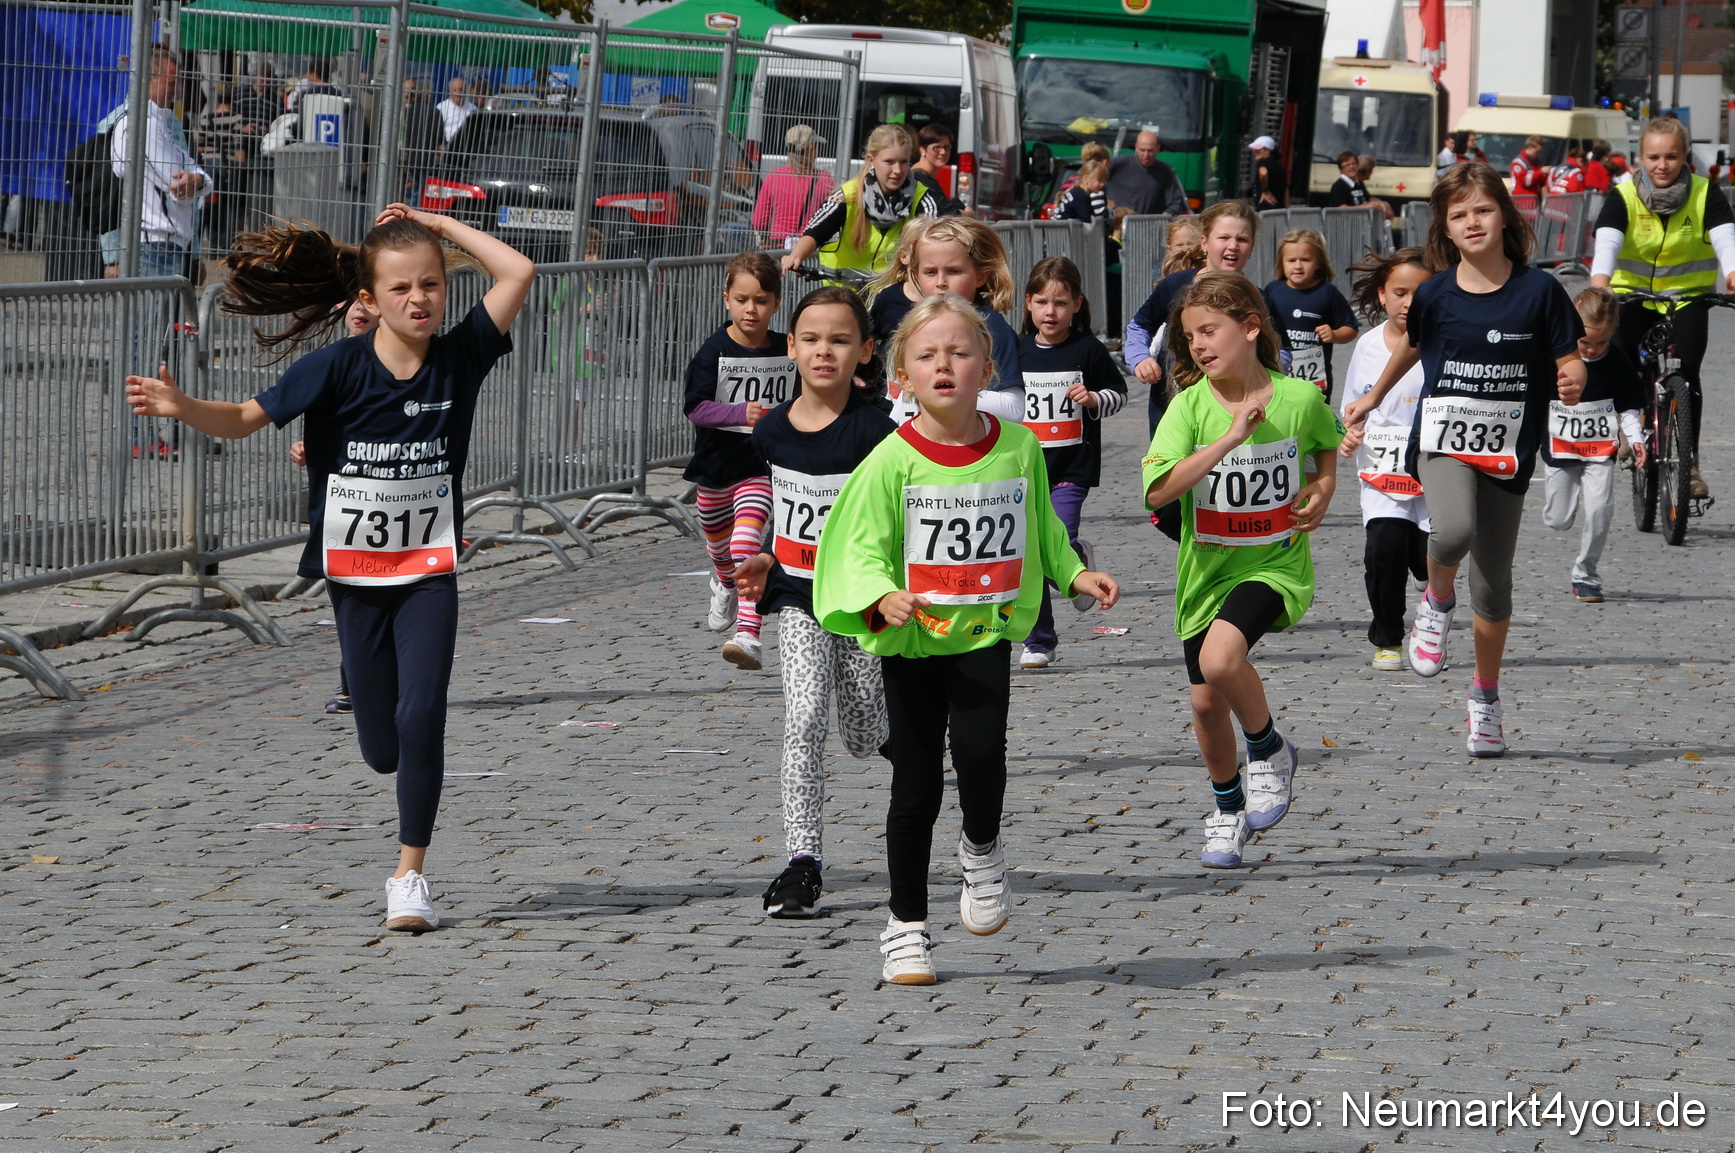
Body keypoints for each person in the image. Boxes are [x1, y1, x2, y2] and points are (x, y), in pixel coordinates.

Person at [125, 204, 535, 931]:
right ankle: (395, 774)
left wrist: (438, 222)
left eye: (432, 285)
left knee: (423, 714)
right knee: (382, 745)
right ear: (369, 300)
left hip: (429, 572)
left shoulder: (461, 355)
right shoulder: (335, 367)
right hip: (355, 577)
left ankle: (410, 874)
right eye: (402, 288)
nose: (419, 300)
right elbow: (247, 416)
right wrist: (183, 406)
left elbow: (517, 271)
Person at [812, 293, 1121, 985]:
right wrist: (878, 594)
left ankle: (981, 847)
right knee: (914, 783)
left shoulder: (1017, 447)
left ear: (987, 368)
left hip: (983, 631)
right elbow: (856, 546)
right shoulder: (890, 460)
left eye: (958, 352)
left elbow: (1041, 525)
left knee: (981, 755)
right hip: (916, 639)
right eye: (926, 355)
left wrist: (1074, 575)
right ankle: (906, 926)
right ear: (902, 377)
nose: (943, 364)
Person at [1345, 163, 1586, 758]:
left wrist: (1572, 376)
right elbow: (1415, 344)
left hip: (1508, 451)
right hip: (1442, 441)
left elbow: (1570, 357)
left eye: (1482, 209)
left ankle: (1484, 698)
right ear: (1446, 231)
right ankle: (1435, 601)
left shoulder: (1540, 291)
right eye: (1459, 215)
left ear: (1504, 214)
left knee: (1495, 587)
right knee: (1452, 529)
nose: (1472, 222)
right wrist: (1372, 399)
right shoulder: (1435, 292)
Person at [1140, 271, 1343, 869]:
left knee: (1222, 660)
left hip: (1275, 566)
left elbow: (1325, 441)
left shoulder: (1299, 397)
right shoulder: (1189, 407)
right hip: (1206, 572)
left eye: (1210, 331)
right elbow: (1157, 492)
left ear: (1250, 327)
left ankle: (1269, 749)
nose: (1199, 345)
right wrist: (1227, 441)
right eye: (1189, 337)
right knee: (1205, 704)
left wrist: (1325, 484)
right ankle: (1228, 811)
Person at [729, 287, 895, 919]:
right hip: (801, 599)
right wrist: (767, 554)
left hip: (861, 601)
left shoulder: (879, 432)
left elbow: (895, 516)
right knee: (802, 722)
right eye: (813, 339)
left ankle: (898, 737)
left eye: (841, 339)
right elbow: (784, 507)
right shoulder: (771, 430)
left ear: (865, 351)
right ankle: (802, 863)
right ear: (791, 346)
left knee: (861, 733)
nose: (824, 351)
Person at [1589, 115, 1735, 502]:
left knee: (1687, 374)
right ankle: (1628, 425)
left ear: (1685, 157)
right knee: (1624, 360)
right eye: (1653, 157)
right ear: (1641, 158)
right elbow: (1607, 240)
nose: (1662, 165)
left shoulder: (1706, 193)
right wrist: (1600, 282)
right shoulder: (1623, 195)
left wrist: (1733, 270)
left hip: (1687, 298)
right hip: (1632, 295)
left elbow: (1724, 237)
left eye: (1671, 156)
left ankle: (1689, 466)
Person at [682, 252, 792, 671]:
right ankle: (724, 581)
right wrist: (737, 412)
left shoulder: (787, 347)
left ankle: (748, 633)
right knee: (717, 541)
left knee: (745, 542)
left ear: (776, 303)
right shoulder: (714, 351)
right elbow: (695, 407)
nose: (752, 309)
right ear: (727, 299)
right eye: (743, 299)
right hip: (715, 466)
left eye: (762, 300)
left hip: (760, 468)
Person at [1016, 256, 1126, 669]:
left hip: (1070, 470)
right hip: (1025, 472)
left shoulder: (1087, 349)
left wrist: (1094, 399)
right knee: (1030, 552)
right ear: (1028, 303)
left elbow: (1118, 392)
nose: (1051, 311)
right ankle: (1039, 640)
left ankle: (1073, 557)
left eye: (1061, 303)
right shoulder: (1017, 349)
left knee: (1053, 542)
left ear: (1077, 305)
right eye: (1043, 302)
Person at [1338, 247, 1432, 670]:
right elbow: (1352, 406)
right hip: (1382, 469)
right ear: (1382, 295)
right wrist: (1350, 434)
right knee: (1383, 550)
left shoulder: (1443, 340)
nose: (1409, 302)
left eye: (1420, 292)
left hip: (1435, 464)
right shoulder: (1368, 344)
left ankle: (1432, 625)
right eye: (1400, 292)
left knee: (1428, 554)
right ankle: (1389, 638)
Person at [287, 298, 381, 713]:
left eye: (369, 297)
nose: (358, 307)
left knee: (383, 596)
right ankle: (356, 681)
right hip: (340, 502)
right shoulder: (328, 362)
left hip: (391, 498)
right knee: (349, 595)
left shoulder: (402, 360)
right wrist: (311, 447)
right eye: (350, 297)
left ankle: (365, 682)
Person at [1541, 286, 1646, 604]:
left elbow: (1628, 406)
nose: (1590, 350)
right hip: (1560, 448)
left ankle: (1585, 577)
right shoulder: (1552, 354)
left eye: (1601, 342)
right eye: (1584, 341)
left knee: (1601, 509)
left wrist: (1636, 439)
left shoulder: (1616, 361)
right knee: (1557, 519)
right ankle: (1562, 513)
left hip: (1600, 449)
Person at [1126, 199, 1260, 434]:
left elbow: (1280, 350)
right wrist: (1140, 358)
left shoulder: (1258, 297)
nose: (1233, 246)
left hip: (1233, 412)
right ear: (1204, 243)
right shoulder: (1175, 285)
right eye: (1224, 238)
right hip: (1171, 406)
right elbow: (1139, 326)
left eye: (1242, 239)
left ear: (1252, 246)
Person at [101, 46, 212, 279]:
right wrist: (113, 257)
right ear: (148, 79)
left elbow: (191, 182)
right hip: (150, 247)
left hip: (173, 245)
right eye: (172, 83)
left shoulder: (170, 123)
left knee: (168, 315)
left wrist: (194, 253)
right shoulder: (130, 123)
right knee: (151, 315)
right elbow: (111, 193)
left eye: (178, 82)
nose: (178, 91)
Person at [906, 216, 1027, 423]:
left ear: (981, 276)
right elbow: (900, 400)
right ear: (916, 276)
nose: (941, 282)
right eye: (930, 272)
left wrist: (948, 392)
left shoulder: (992, 328)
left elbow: (1014, 407)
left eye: (954, 271)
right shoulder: (914, 324)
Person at [781, 124, 940, 279]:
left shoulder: (921, 197)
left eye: (904, 162)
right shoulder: (847, 195)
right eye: (889, 162)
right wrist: (795, 256)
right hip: (844, 293)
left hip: (889, 291)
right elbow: (815, 230)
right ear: (871, 159)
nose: (898, 170)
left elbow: (935, 237)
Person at [1263, 228, 1358, 401]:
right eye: (1291, 260)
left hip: (1315, 381)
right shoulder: (1272, 291)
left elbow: (1351, 328)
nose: (1298, 266)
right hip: (1279, 375)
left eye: (1305, 260)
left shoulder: (1328, 293)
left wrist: (1335, 334)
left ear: (1318, 263)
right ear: (1281, 263)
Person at [752, 124, 837, 245]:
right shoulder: (825, 180)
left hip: (777, 247)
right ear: (812, 149)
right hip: (809, 248)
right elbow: (830, 221)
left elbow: (759, 221)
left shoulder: (774, 177)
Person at [1104, 129, 1188, 217]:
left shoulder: (1164, 171)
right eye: (1142, 150)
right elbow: (1093, 180)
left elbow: (1176, 203)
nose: (1146, 155)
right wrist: (1107, 201)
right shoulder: (1118, 164)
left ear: (1158, 148)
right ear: (1136, 147)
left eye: (1150, 151)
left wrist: (1164, 216)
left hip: (1147, 225)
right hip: (1119, 224)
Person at [401, 79, 445, 202]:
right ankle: (418, 210)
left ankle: (410, 209)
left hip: (412, 156)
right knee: (423, 188)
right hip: (428, 157)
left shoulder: (408, 111)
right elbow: (439, 135)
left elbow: (405, 134)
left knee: (412, 186)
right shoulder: (435, 112)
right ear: (428, 95)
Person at [910, 123, 964, 216]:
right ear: (922, 149)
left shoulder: (928, 177)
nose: (943, 152)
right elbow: (945, 214)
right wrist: (966, 214)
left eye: (946, 147)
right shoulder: (919, 178)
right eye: (937, 148)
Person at [1055, 159, 1110, 224]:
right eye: (1099, 180)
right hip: (1064, 232)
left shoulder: (1079, 192)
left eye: (1104, 181)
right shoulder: (1080, 195)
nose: (1102, 184)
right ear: (1086, 178)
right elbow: (1086, 220)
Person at [436, 76, 477, 143]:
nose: (458, 93)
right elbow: (437, 131)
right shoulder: (441, 108)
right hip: (449, 146)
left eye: (461, 90)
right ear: (450, 91)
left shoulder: (473, 108)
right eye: (455, 90)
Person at [1248, 135, 1286, 208]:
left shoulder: (1262, 162)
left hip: (1265, 206)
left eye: (1258, 149)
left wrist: (1265, 191)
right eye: (1254, 149)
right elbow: (1286, 189)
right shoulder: (1280, 166)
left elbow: (1263, 173)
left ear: (1268, 150)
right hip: (1279, 208)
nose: (1254, 152)